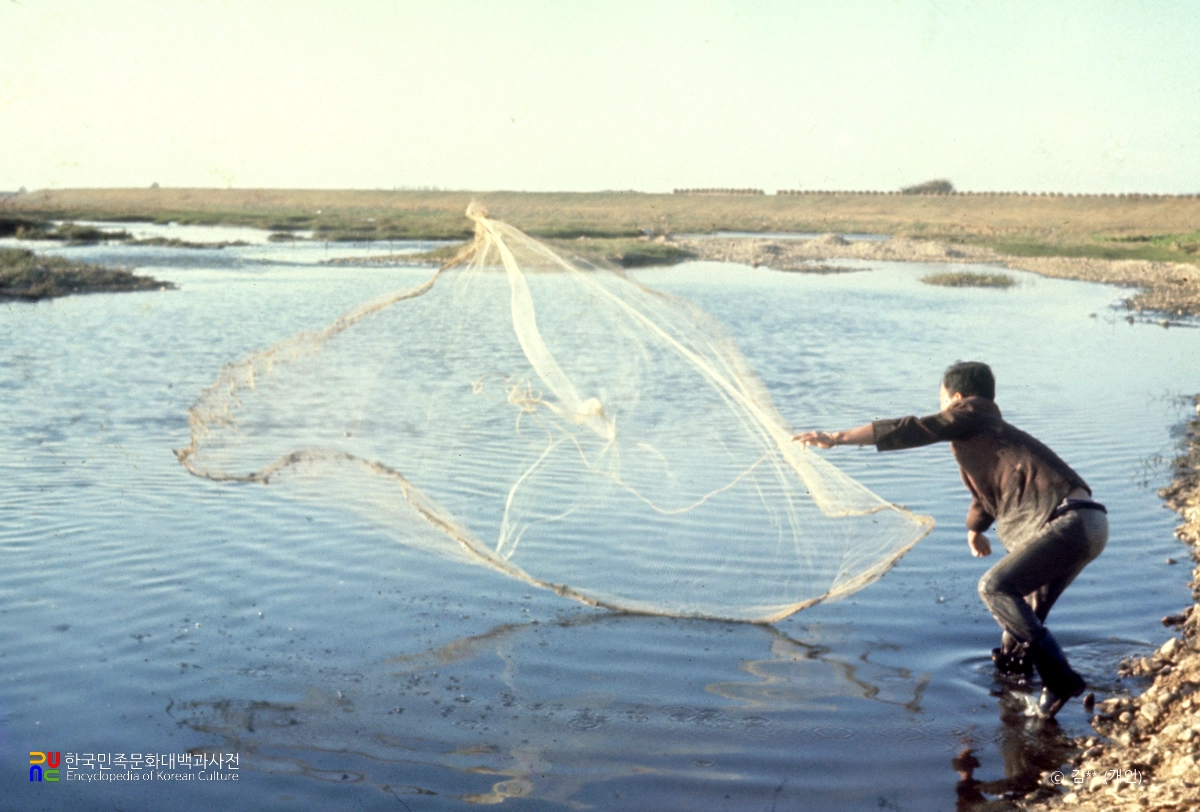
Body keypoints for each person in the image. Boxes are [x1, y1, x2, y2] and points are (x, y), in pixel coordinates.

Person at [793, 361, 1108, 719]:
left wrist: (837, 437)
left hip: (1069, 523)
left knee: (994, 588)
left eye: (942, 401)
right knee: (1018, 618)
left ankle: (1061, 680)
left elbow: (913, 428)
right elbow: (985, 496)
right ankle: (1017, 695)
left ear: (957, 399)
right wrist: (975, 530)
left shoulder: (970, 415)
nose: (942, 409)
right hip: (1090, 522)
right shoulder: (990, 433)